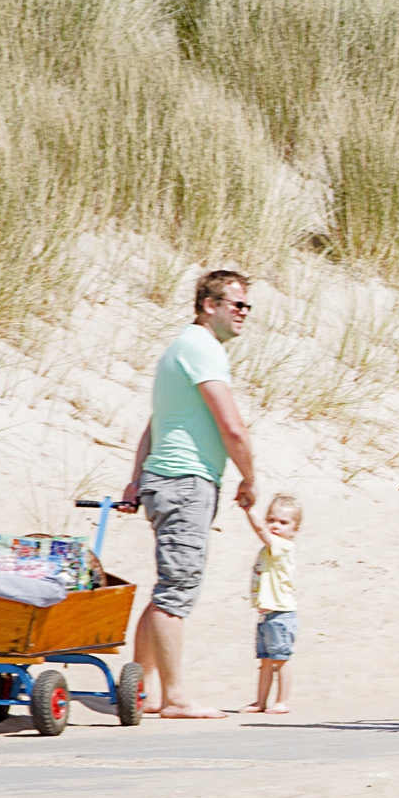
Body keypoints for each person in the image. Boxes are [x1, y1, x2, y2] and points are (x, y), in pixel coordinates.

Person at [120, 269, 256, 719]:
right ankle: (175, 697)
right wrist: (249, 478)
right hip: (184, 483)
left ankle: (140, 691)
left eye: (247, 306)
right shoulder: (202, 348)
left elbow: (156, 423)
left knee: (167, 591)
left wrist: (136, 478)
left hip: (167, 480)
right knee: (176, 593)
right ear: (209, 305)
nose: (243, 313)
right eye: (236, 304)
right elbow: (231, 426)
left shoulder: (182, 347)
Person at [242, 493, 301, 714]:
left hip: (282, 615)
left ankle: (282, 700)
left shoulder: (283, 546)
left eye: (283, 523)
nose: (275, 526)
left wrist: (249, 510)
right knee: (266, 660)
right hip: (266, 615)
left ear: (294, 529)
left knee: (281, 659)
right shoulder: (268, 548)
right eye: (271, 520)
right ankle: (260, 701)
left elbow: (260, 531)